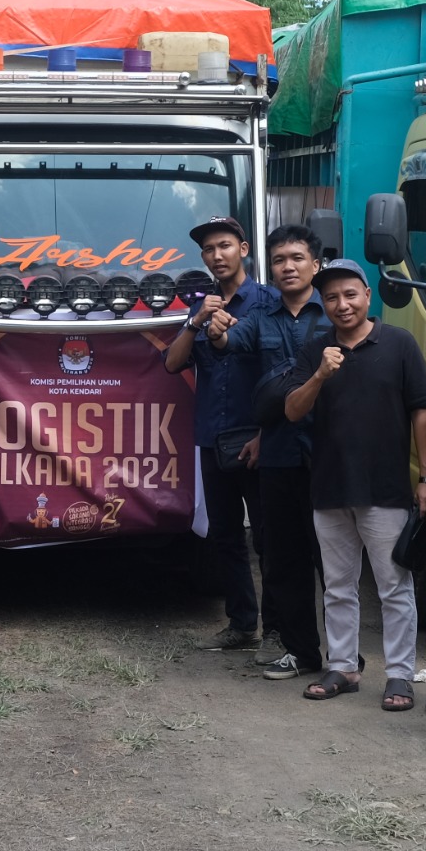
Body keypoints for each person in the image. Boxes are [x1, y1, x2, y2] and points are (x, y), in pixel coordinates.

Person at [279, 259, 426, 710]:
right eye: (331, 297)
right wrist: (320, 374)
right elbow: (292, 411)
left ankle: (400, 674)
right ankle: (344, 667)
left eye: (350, 294)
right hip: (329, 487)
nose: (342, 304)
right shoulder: (316, 350)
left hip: (385, 488)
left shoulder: (399, 343)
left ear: (368, 295)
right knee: (337, 586)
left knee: (394, 587)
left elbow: (422, 413)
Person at [164, 214, 277, 652]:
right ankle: (242, 625)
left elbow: (282, 371)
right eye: (209, 249)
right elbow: (173, 364)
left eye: (225, 246)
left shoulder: (267, 302)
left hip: (257, 438)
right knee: (225, 536)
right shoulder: (201, 306)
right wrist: (196, 322)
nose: (217, 255)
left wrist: (267, 433)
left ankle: (280, 631)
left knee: (268, 539)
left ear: (243, 250)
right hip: (213, 438)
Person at [240, 225, 330, 680]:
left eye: (297, 258)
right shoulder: (261, 317)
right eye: (279, 260)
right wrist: (210, 325)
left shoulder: (335, 312)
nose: (288, 267)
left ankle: (346, 656)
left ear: (316, 264)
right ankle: (301, 652)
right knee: (284, 560)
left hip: (328, 455)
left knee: (333, 562)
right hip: (277, 454)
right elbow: (227, 344)